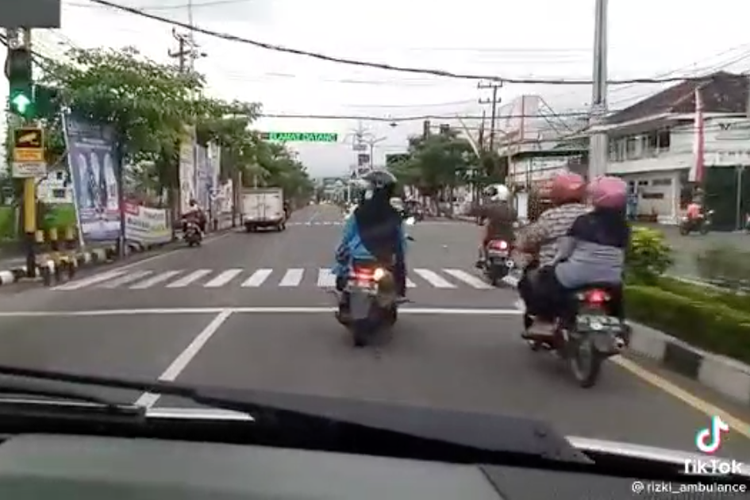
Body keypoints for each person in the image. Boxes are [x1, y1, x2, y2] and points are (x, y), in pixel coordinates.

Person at [526, 176, 630, 332]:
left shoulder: (583, 221)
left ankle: (544, 320)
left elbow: (565, 250)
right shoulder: (624, 227)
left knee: (545, 279)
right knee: (617, 299)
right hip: (611, 279)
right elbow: (625, 253)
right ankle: (619, 325)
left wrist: (554, 264)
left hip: (577, 275)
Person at [515, 172, 589, 318]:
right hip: (591, 270)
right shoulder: (591, 213)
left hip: (556, 271)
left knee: (528, 281)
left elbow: (528, 240)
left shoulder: (551, 216)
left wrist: (521, 246)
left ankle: (542, 318)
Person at [332, 170, 408, 306]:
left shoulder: (359, 212)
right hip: (384, 260)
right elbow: (400, 243)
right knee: (399, 268)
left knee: (342, 266)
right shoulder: (394, 215)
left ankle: (343, 295)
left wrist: (341, 254)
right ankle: (398, 294)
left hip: (357, 259)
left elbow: (347, 236)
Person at [467, 184, 517, 268]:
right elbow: (515, 220)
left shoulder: (491, 207)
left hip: (492, 234)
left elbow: (476, 211)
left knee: (482, 240)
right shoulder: (512, 209)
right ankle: (512, 259)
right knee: (514, 245)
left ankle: (482, 257)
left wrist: (470, 211)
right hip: (508, 236)